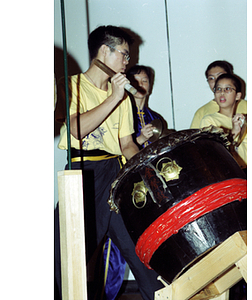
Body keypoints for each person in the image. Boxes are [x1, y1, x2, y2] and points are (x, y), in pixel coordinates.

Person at [54, 25, 162, 300]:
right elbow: (77, 129)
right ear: (104, 51)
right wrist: (113, 97)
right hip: (84, 174)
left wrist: (149, 173)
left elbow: (127, 144)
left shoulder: (123, 98)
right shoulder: (71, 85)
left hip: (116, 173)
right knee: (67, 256)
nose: (128, 62)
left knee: (141, 248)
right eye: (124, 55)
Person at [200, 73, 247, 168]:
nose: (222, 92)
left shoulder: (243, 120)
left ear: (238, 96)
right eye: (218, 89)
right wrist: (233, 133)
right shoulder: (209, 120)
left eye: (228, 89)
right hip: (229, 174)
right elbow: (213, 154)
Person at [190, 60, 247, 128]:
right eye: (211, 78)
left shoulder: (246, 106)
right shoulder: (202, 113)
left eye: (221, 76)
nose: (216, 80)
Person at [126, 65, 162, 149]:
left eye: (144, 81)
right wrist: (141, 139)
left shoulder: (156, 118)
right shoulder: (122, 116)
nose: (140, 84)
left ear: (150, 87)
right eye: (135, 81)